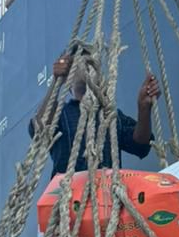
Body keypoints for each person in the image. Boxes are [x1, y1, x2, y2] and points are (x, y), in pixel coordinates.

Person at [30, 53, 161, 178]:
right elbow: (39, 129)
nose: (85, 64)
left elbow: (140, 144)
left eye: (89, 61)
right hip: (67, 191)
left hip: (107, 190)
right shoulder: (60, 113)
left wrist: (144, 108)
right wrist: (56, 82)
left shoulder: (111, 115)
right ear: (69, 78)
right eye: (78, 61)